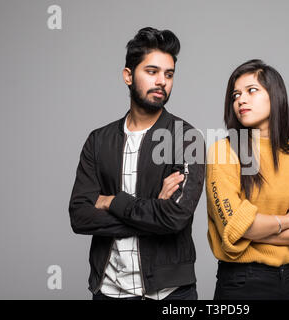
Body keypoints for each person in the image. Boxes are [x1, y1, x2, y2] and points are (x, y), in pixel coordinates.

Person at [69, 27, 205, 300]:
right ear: (128, 76)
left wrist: (111, 202)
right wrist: (155, 212)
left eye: (169, 74)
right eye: (152, 72)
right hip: (108, 291)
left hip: (170, 294)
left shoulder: (187, 138)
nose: (162, 82)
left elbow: (176, 217)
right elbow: (79, 216)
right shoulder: (98, 140)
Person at [206, 59, 289, 300]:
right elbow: (236, 226)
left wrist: (255, 231)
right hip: (243, 282)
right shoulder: (223, 152)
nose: (241, 100)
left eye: (252, 91)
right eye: (235, 95)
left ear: (275, 95)